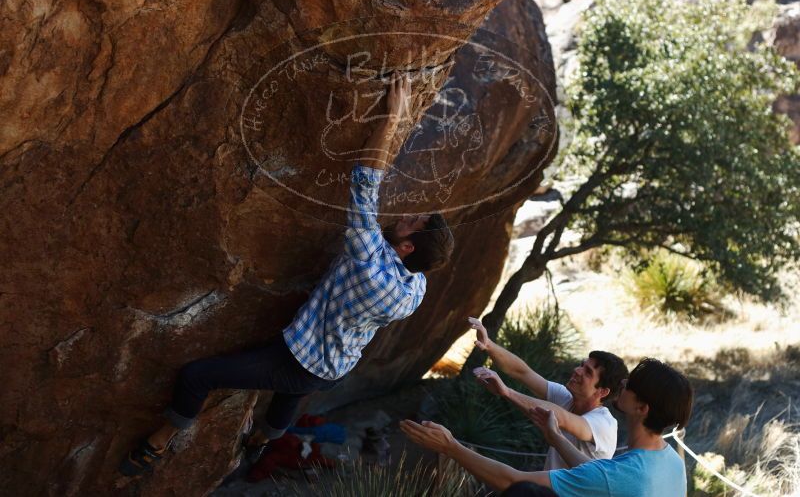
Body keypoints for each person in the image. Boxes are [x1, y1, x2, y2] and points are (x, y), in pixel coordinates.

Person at [120, 73, 455, 476]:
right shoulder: (414, 284)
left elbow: (365, 183)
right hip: (335, 365)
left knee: (198, 376)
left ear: (406, 248)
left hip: (298, 360)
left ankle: (157, 445)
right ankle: (261, 442)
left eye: (411, 223)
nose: (404, 216)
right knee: (287, 399)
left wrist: (392, 119)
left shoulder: (370, 265)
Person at [400, 357, 693, 497]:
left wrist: (450, 446)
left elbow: (512, 480)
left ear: (642, 408)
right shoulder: (669, 461)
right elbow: (599, 474)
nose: (624, 384)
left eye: (632, 386)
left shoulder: (618, 476)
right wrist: (557, 440)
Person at [470, 317, 628, 469]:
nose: (577, 370)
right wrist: (489, 345)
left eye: (587, 372)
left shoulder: (604, 423)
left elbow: (562, 418)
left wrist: (507, 392)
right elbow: (522, 372)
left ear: (602, 391)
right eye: (581, 365)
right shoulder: (566, 397)